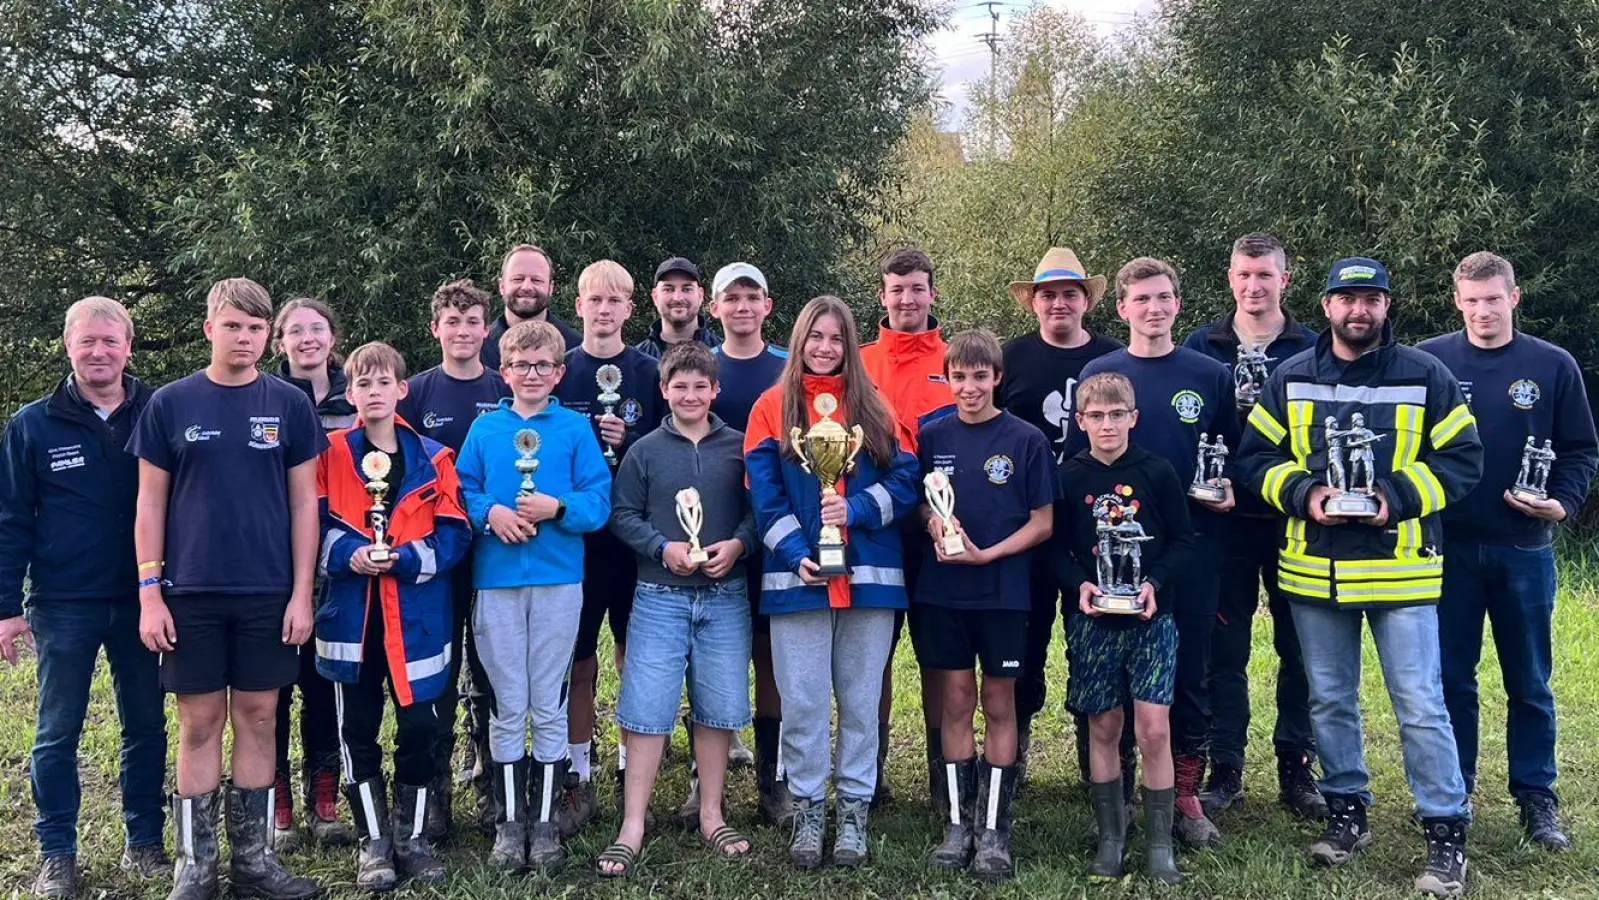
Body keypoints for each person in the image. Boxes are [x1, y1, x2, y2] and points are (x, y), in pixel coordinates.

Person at [1237, 257, 1483, 898]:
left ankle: (1444, 831)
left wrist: (1393, 498)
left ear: (1385, 305)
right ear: (1325, 306)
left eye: (1370, 299)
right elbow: (1254, 457)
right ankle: (1347, 812)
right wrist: (1304, 494)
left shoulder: (1427, 374)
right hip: (1315, 568)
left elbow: (1462, 459)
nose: (1358, 310)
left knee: (1421, 705)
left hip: (1400, 570)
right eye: (1346, 299)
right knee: (1330, 701)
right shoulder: (1291, 377)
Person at [130, 278, 324, 900]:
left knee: (261, 716)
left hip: (269, 592)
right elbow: (149, 504)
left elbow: (303, 506)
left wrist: (301, 594)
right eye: (233, 326)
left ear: (268, 336)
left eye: (255, 328)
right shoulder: (169, 404)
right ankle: (196, 867)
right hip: (190, 594)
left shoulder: (290, 404)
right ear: (210, 327)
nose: (244, 338)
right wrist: (150, 592)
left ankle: (255, 864)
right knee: (199, 722)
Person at [1418, 251, 1598, 850]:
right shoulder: (1430, 362)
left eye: (1493, 299)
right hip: (1449, 549)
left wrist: (1563, 505)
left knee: (1530, 681)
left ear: (1514, 299)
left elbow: (1579, 449)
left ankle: (1537, 797)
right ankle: (1456, 789)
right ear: (1457, 303)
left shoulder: (1551, 365)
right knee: (1451, 679)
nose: (1483, 311)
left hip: (1524, 547)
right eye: (1471, 301)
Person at [745, 295, 920, 870]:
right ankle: (808, 805)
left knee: (861, 700)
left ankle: (853, 809)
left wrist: (860, 511)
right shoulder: (772, 408)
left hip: (870, 577)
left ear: (850, 344)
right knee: (801, 702)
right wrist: (798, 553)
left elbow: (906, 482)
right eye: (815, 337)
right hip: (798, 578)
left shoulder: (876, 407)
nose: (825, 347)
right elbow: (764, 498)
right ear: (798, 341)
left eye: (836, 338)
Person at [0, 297, 166, 898]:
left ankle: (145, 842)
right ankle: (56, 853)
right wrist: (6, 608)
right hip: (64, 600)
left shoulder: (160, 411)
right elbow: (11, 518)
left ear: (128, 344)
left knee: (146, 723)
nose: (99, 352)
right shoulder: (32, 424)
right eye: (86, 341)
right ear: (68, 345)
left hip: (145, 595)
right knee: (57, 729)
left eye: (110, 341)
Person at [1073, 257, 1239, 848]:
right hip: (1108, 559)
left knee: (1189, 670)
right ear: (1120, 308)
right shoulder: (1100, 371)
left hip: (1188, 552)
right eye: (1141, 299)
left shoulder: (1210, 374)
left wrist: (1224, 491)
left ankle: (1184, 793)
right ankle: (1111, 795)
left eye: (1164, 297)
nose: (1154, 308)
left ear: (1178, 303)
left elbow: (1230, 455)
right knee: (1105, 678)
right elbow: (1077, 467)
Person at [456, 319, 613, 873]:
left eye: (543, 365)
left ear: (559, 372)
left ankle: (543, 823)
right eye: (521, 365)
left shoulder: (573, 429)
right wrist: (489, 513)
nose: (532, 374)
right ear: (504, 372)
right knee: (506, 702)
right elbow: (461, 493)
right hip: (495, 582)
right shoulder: (484, 431)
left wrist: (558, 508)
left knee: (547, 700)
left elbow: (600, 501)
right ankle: (508, 823)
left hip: (557, 580)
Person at [314, 342, 471, 891]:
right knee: (356, 731)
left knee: (421, 731)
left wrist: (404, 558)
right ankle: (372, 841)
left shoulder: (435, 457)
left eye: (384, 383)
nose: (373, 392)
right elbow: (309, 524)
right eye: (363, 384)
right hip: (352, 621)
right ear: (349, 393)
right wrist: (346, 553)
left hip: (417, 618)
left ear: (402, 390)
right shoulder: (328, 454)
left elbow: (455, 534)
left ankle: (413, 838)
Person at [597, 342, 758, 876]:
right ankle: (632, 825)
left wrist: (737, 546)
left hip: (724, 595)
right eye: (679, 386)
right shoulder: (644, 450)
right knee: (646, 708)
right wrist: (661, 547)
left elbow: (761, 513)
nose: (690, 395)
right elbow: (622, 515)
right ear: (664, 391)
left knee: (716, 706)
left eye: (700, 386)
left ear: (715, 390)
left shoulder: (739, 448)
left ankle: (712, 813)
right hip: (659, 597)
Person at [1179, 233, 1324, 819]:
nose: (1253, 285)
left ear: (1284, 280)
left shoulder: (1313, 348)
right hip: (1225, 520)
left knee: (1301, 648)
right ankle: (1226, 767)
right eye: (1243, 275)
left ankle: (1297, 768)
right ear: (1230, 279)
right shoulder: (1201, 346)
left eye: (1265, 275)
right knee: (1224, 648)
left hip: (1297, 519)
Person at [913, 329, 1053, 882]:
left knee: (1000, 703)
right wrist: (932, 524)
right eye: (959, 377)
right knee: (954, 701)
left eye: (979, 377)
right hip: (942, 592)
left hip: (1003, 593)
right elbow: (918, 506)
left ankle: (993, 829)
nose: (969, 387)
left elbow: (1043, 523)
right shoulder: (930, 435)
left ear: (997, 378)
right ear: (946, 380)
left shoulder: (1026, 440)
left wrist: (987, 554)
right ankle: (956, 825)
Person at [1052, 372, 1194, 885]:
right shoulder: (1068, 476)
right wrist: (1078, 586)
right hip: (1092, 621)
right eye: (1096, 415)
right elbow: (1053, 547)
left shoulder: (1157, 471)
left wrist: (1155, 582)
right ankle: (1110, 836)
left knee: (1154, 728)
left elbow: (1182, 540)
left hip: (1151, 618)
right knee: (1104, 727)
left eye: (1116, 415)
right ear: (1081, 421)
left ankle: (1158, 843)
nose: (1107, 424)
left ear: (1133, 418)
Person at [995, 247, 1122, 783]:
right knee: (1027, 633)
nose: (1059, 303)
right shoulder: (1012, 358)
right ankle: (1016, 742)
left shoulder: (1114, 358)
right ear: (1034, 303)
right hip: (1025, 520)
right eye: (1048, 294)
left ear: (1086, 300)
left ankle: (1096, 751)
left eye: (1070, 293)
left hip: (1097, 521)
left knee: (1093, 630)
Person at [552, 260, 667, 832]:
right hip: (573, 540)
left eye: (615, 300)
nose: (603, 309)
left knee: (634, 656)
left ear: (629, 309)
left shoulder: (651, 372)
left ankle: (629, 764)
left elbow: (674, 444)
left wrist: (636, 438)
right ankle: (578, 770)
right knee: (577, 660)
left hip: (635, 539)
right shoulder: (558, 370)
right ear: (578, 306)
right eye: (594, 300)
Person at [396, 278, 511, 839]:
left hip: (496, 548)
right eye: (452, 322)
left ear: (487, 330)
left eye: (473, 323)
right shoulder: (416, 393)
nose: (463, 332)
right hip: (436, 556)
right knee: (438, 671)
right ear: (435, 328)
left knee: (490, 667)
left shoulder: (504, 386)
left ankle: (491, 781)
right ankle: (435, 790)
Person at [858, 247, 955, 812]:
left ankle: (944, 772)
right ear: (882, 295)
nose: (907, 299)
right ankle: (869, 772)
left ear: (932, 294)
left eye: (917, 288)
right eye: (897, 289)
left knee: (939, 654)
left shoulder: (957, 359)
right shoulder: (859, 361)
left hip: (944, 530)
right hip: (876, 527)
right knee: (875, 654)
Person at [269, 297, 358, 851]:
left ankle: (325, 798)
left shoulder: (360, 394)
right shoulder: (266, 398)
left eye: (317, 328)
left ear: (332, 337)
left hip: (345, 564)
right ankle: (277, 802)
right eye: (295, 331)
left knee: (324, 684)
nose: (307, 338)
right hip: (275, 562)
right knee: (273, 686)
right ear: (280, 342)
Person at [707, 262, 793, 828]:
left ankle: (774, 780)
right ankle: (703, 782)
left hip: (778, 529)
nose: (741, 306)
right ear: (714, 308)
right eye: (730, 297)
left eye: (751, 296)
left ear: (767, 306)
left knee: (772, 654)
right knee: (709, 658)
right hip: (710, 530)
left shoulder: (791, 367)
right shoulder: (700, 368)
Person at [482, 243, 582, 371]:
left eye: (536, 280)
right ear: (502, 286)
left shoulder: (574, 348)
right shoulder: (479, 348)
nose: (527, 287)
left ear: (550, 288)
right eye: (518, 279)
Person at [634, 257, 722, 358]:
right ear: (655, 296)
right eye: (668, 289)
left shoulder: (723, 356)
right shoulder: (636, 361)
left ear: (700, 295)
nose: (678, 298)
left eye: (686, 289)